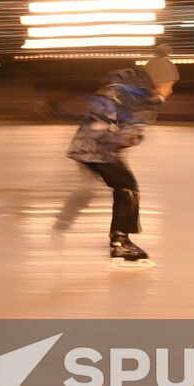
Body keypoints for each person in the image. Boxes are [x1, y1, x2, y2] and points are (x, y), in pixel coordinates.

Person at [59, 45, 179, 262]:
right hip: (99, 148)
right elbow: (123, 129)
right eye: (169, 85)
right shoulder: (141, 99)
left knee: (124, 187)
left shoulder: (124, 87)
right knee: (127, 189)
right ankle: (120, 243)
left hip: (90, 144)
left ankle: (116, 238)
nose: (170, 91)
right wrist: (131, 136)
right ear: (158, 80)